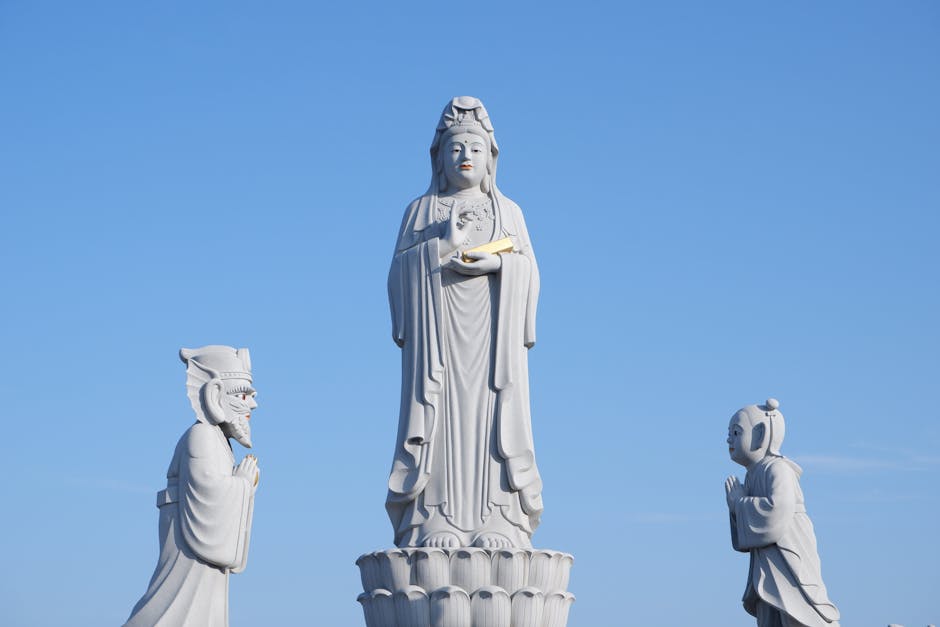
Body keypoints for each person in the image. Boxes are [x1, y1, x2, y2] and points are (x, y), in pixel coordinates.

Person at [386, 96, 543, 549]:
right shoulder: (421, 211)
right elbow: (397, 276)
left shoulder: (507, 211)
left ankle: (500, 519)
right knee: (440, 421)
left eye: (474, 147)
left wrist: (499, 267)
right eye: (455, 148)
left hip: (495, 347)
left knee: (494, 418)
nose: (465, 156)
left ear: (491, 157)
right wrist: (440, 247)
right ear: (439, 157)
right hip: (437, 349)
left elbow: (530, 272)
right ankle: (436, 522)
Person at [125, 346, 260, 627]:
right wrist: (242, 485)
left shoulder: (219, 443)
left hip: (205, 560)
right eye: (243, 395)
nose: (252, 405)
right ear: (214, 395)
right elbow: (207, 495)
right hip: (189, 550)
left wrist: (244, 488)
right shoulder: (201, 436)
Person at [725, 398, 840, 627]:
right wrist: (737, 507)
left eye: (736, 433)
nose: (728, 439)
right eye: (729, 433)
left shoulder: (777, 468)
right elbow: (745, 541)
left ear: (759, 435)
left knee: (798, 607)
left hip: (789, 555)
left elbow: (776, 512)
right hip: (767, 563)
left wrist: (739, 503)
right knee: (770, 609)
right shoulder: (752, 475)